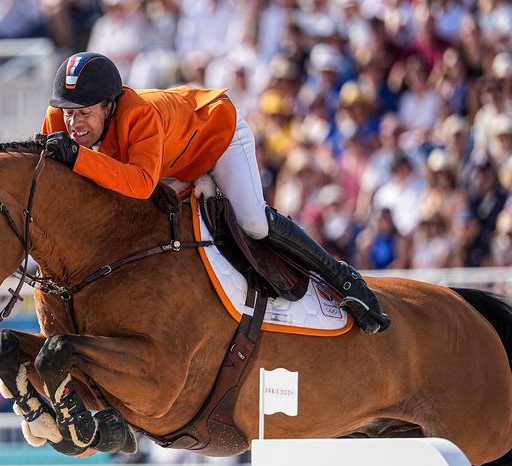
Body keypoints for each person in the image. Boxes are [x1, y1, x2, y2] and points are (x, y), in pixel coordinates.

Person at [39, 52, 390, 333]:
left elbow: (141, 182)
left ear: (109, 106)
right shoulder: (62, 114)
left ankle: (342, 279)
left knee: (253, 222)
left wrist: (79, 158)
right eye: (68, 113)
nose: (73, 124)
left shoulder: (139, 115)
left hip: (217, 134)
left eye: (84, 113)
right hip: (172, 160)